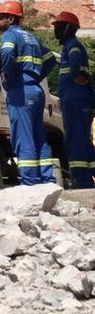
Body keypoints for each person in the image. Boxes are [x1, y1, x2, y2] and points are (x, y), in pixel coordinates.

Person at [0, 0, 57, 185]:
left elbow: (6, 54)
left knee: (24, 136)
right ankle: (47, 179)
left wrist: (7, 75)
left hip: (20, 91)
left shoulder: (10, 35)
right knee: (39, 135)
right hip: (36, 91)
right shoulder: (31, 37)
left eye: (0, 18)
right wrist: (36, 77)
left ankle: (30, 181)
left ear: (10, 18)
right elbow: (51, 59)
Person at [52, 11, 95, 189]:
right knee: (83, 139)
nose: (56, 30)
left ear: (69, 28)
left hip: (75, 99)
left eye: (59, 26)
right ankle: (86, 177)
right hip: (78, 99)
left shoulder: (72, 45)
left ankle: (82, 180)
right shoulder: (69, 46)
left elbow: (76, 60)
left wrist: (75, 74)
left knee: (76, 139)